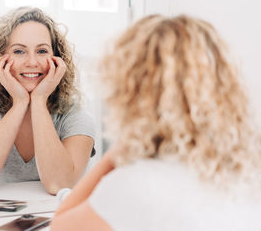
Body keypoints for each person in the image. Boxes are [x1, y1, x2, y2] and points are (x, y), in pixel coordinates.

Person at [51, 15, 261, 230]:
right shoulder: (247, 168)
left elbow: (60, 226)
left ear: (131, 92)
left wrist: (123, 146)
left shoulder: (138, 185)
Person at [0, 7, 95, 194]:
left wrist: (39, 101)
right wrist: (19, 103)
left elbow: (59, 185)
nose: (32, 62)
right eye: (19, 51)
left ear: (57, 59)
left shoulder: (76, 117)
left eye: (42, 51)